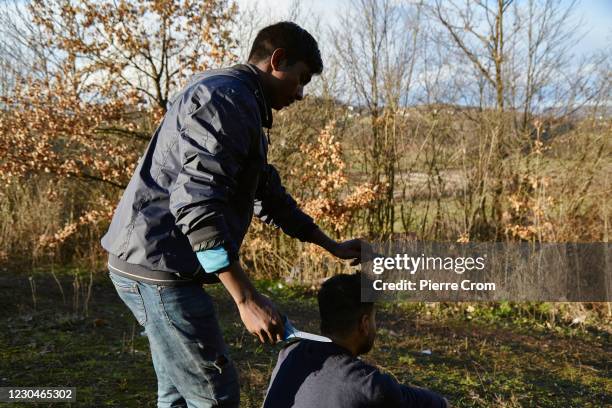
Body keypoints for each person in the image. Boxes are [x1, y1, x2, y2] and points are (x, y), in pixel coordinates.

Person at [101, 22, 365, 408]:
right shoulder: (227, 101)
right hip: (157, 269)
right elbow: (196, 205)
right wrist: (246, 300)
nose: (302, 94)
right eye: (301, 79)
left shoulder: (240, 102)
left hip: (153, 260)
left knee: (177, 392)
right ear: (278, 60)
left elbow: (269, 194)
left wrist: (330, 244)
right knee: (215, 394)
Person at [263, 273, 449, 408]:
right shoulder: (368, 385)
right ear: (365, 324)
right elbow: (423, 402)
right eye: (374, 318)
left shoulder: (289, 353)